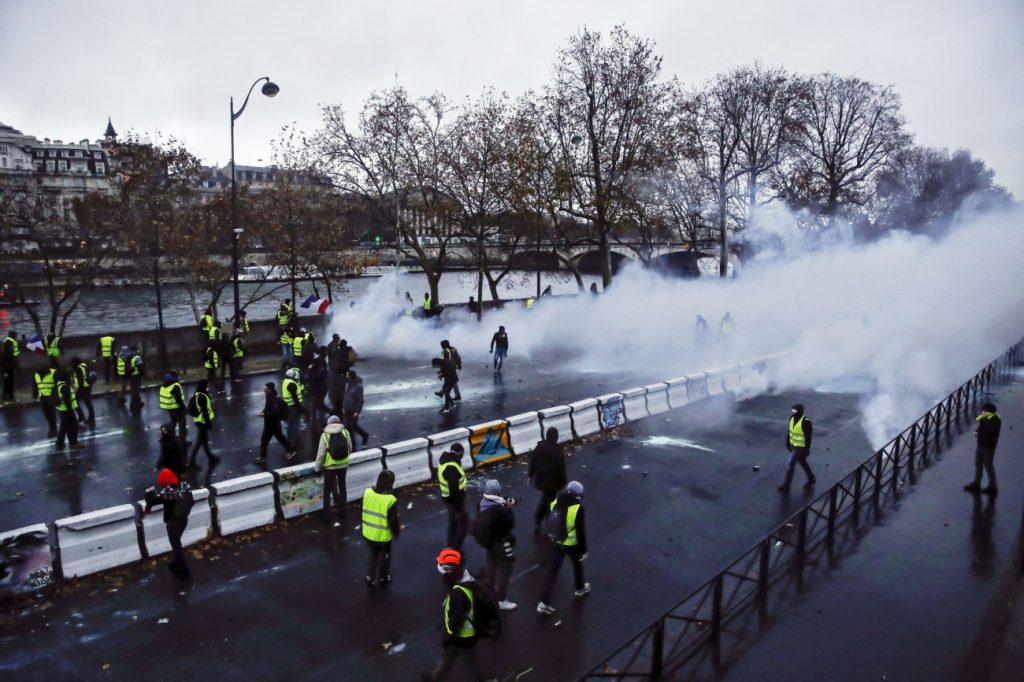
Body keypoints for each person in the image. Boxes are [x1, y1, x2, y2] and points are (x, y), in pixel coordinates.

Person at [427, 548, 491, 681]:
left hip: (461, 637)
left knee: (470, 662)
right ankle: (435, 678)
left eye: (444, 569)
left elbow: (456, 620)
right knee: (448, 659)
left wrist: (447, 637)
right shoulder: (465, 579)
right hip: (462, 636)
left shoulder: (458, 594)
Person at [537, 481, 590, 615]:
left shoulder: (556, 501)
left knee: (552, 572)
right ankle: (579, 588)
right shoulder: (578, 508)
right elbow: (580, 531)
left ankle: (543, 603)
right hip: (571, 544)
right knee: (577, 564)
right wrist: (583, 550)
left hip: (557, 542)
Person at [473, 479, 518, 610]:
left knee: (491, 563)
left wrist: (506, 502)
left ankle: (489, 591)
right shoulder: (499, 510)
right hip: (500, 541)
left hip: (488, 541)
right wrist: (508, 509)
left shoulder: (481, 504)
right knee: (506, 566)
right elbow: (510, 523)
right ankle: (501, 599)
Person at [144, 468, 194, 580]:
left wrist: (148, 492)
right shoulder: (184, 485)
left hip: (173, 523)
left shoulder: (168, 492)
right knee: (177, 544)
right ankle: (176, 563)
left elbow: (152, 501)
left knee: (177, 546)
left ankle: (184, 571)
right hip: (184, 519)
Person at [362, 469, 400, 588]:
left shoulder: (367, 492)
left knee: (373, 554)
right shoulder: (390, 499)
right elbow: (392, 520)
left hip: (368, 532)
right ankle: (383, 578)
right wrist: (396, 532)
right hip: (383, 536)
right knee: (385, 556)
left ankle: (370, 577)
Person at [528, 427, 568, 526]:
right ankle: (547, 519)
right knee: (550, 500)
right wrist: (564, 482)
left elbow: (532, 461)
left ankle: (538, 518)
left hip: (541, 480)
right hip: (553, 483)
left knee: (546, 497)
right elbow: (561, 468)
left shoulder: (540, 447)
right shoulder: (558, 452)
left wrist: (530, 475)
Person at [315, 415, 352, 520]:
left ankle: (327, 515)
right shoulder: (346, 432)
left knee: (327, 491)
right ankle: (343, 511)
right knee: (342, 487)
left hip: (330, 467)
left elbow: (321, 454)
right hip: (343, 465)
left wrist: (317, 468)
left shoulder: (325, 435)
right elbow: (350, 448)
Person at [964, 402, 1002, 495]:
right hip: (981, 444)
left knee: (988, 466)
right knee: (978, 464)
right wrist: (977, 430)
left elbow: (988, 431)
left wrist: (979, 431)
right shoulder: (985, 418)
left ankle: (993, 486)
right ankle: (977, 483)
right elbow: (981, 427)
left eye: (985, 411)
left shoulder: (996, 420)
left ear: (990, 412)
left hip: (989, 447)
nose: (983, 412)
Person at [438, 443, 469, 550]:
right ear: (459, 453)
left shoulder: (447, 461)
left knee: (454, 523)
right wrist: (458, 509)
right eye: (462, 454)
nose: (463, 456)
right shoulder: (451, 468)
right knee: (463, 523)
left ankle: (450, 546)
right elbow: (454, 489)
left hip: (448, 498)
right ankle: (454, 549)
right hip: (454, 500)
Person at [778, 403, 815, 491]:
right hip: (795, 445)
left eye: (795, 410)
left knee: (791, 462)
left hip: (801, 446)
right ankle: (811, 478)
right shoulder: (792, 418)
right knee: (802, 462)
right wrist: (788, 442)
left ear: (800, 411)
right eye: (793, 410)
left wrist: (807, 449)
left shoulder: (806, 422)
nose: (793, 412)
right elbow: (790, 431)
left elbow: (808, 437)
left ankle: (787, 484)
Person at [256, 382, 296, 464]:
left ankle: (291, 450)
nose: (264, 389)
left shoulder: (274, 400)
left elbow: (275, 413)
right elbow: (268, 407)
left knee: (281, 439)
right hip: (268, 424)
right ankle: (262, 457)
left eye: (266, 388)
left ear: (270, 390)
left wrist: (265, 414)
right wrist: (264, 411)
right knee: (264, 441)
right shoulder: (269, 396)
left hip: (274, 425)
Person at [188, 380, 219, 469]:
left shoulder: (197, 394)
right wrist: (209, 424)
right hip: (203, 423)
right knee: (199, 442)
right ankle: (191, 462)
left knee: (204, 441)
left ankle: (211, 457)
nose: (208, 387)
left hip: (199, 421)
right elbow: (205, 412)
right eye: (207, 385)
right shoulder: (202, 397)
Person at [53, 369, 80, 449]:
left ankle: (59, 442)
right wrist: (71, 412)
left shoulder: (58, 385)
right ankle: (73, 443)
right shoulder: (65, 386)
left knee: (63, 427)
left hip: (61, 410)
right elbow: (67, 400)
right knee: (73, 427)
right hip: (67, 410)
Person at [159, 372, 187, 443]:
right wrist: (184, 408)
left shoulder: (164, 385)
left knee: (173, 424)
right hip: (177, 408)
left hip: (169, 408)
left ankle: (165, 438)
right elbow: (178, 399)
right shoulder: (175, 385)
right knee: (182, 426)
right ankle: (182, 442)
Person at [282, 368, 306, 451]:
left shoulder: (286, 381)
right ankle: (293, 440)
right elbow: (294, 397)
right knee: (295, 424)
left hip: (288, 406)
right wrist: (300, 406)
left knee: (290, 424)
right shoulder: (291, 384)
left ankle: (289, 439)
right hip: (294, 407)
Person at [344, 369, 369, 447]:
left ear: (351, 376)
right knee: (347, 426)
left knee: (353, 426)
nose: (346, 376)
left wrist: (357, 411)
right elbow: (346, 396)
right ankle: (350, 443)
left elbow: (360, 400)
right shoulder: (348, 384)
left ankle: (365, 435)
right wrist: (343, 407)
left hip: (353, 410)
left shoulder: (358, 387)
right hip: (347, 408)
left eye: (347, 375)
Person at [33, 361, 57, 436]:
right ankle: (52, 428)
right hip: (42, 396)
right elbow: (35, 385)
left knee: (52, 413)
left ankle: (53, 429)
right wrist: (35, 395)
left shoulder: (53, 373)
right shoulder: (37, 374)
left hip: (51, 396)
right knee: (46, 413)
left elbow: (57, 383)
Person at [71, 356, 96, 425]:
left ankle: (82, 416)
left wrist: (80, 390)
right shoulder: (84, 366)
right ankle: (91, 417)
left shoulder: (78, 369)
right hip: (88, 386)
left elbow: (80, 380)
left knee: (75, 402)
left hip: (83, 388)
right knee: (88, 403)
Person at [2, 330, 19, 402]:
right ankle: (7, 397)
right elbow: (10, 355)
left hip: (9, 366)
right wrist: (16, 365)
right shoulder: (9, 342)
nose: (16, 336)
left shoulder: (9, 341)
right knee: (8, 382)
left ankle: (9, 396)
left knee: (9, 382)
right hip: (7, 367)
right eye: (15, 335)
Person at [127, 346, 144, 411]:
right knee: (136, 390)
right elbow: (140, 367)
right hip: (136, 376)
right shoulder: (137, 357)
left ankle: (138, 402)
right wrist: (142, 374)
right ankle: (133, 404)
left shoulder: (128, 357)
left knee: (133, 390)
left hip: (130, 376)